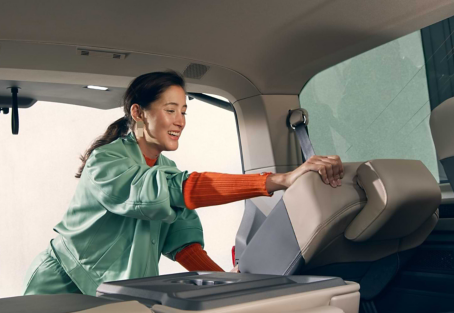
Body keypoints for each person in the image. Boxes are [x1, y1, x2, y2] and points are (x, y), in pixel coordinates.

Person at [22, 70, 343, 295]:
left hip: (114, 294)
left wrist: (228, 284)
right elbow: (178, 188)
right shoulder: (106, 162)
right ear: (139, 113)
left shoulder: (165, 168)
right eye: (170, 110)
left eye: (184, 112)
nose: (180, 121)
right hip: (61, 284)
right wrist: (281, 179)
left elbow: (183, 245)